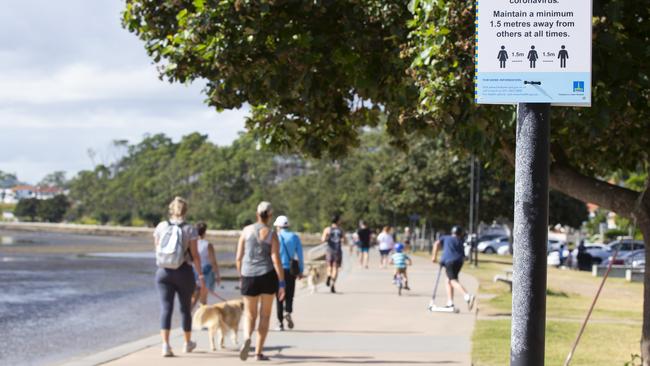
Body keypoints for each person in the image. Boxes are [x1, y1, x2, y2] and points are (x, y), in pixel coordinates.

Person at [153, 197, 204, 357]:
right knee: (185, 309)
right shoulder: (190, 229)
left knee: (166, 308)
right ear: (185, 210)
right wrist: (200, 275)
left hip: (163, 272)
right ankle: (187, 343)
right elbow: (195, 255)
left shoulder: (161, 226)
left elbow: (157, 247)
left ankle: (165, 345)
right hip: (183, 271)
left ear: (171, 210)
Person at [236, 201, 286, 361]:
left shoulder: (246, 231)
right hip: (267, 276)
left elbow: (238, 257)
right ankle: (258, 352)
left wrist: (241, 274)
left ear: (257, 214)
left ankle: (246, 338)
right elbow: (275, 258)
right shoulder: (272, 234)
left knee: (250, 314)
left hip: (248, 275)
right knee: (265, 315)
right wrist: (282, 283)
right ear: (270, 216)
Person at [431, 226, 475, 310]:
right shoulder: (460, 241)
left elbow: (436, 244)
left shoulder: (446, 237)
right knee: (448, 280)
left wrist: (434, 256)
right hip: (459, 262)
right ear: (460, 233)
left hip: (449, 261)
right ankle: (450, 303)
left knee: (452, 281)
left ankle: (467, 296)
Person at [273, 215, 304, 331]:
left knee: (279, 296)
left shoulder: (276, 237)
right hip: (291, 270)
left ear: (278, 226)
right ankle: (288, 311)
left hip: (278, 270)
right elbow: (300, 255)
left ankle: (280, 323)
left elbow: (271, 255)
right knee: (290, 294)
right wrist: (300, 270)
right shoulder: (295, 237)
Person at [191, 222, 221, 308]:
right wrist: (217, 275)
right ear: (205, 232)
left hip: (193, 271)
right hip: (206, 273)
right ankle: (201, 320)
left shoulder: (192, 243)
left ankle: (186, 319)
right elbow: (213, 262)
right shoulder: (208, 245)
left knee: (193, 298)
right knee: (203, 300)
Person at [322, 214, 346, 293]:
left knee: (329, 266)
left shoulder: (327, 229)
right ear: (338, 221)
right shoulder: (340, 230)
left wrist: (327, 238)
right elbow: (345, 241)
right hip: (337, 250)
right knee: (335, 268)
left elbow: (323, 239)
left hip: (329, 250)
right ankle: (333, 284)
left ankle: (329, 275)